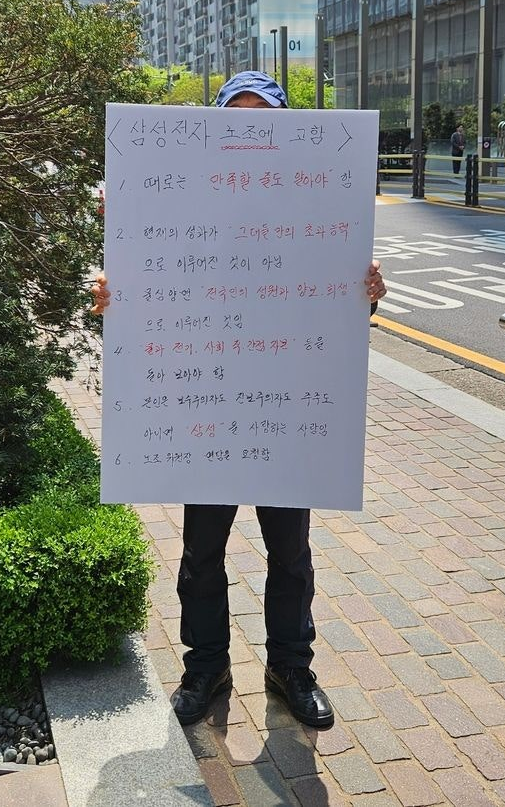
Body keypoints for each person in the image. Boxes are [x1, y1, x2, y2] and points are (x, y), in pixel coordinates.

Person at [92, 71, 387, 730]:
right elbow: (144, 281)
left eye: (264, 120)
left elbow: (331, 320)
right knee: (201, 557)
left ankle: (291, 669)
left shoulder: (316, 207)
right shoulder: (184, 202)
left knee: (291, 557)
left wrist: (362, 296)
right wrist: (116, 299)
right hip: (210, 416)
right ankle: (206, 669)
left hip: (285, 418)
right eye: (237, 119)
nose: (251, 131)